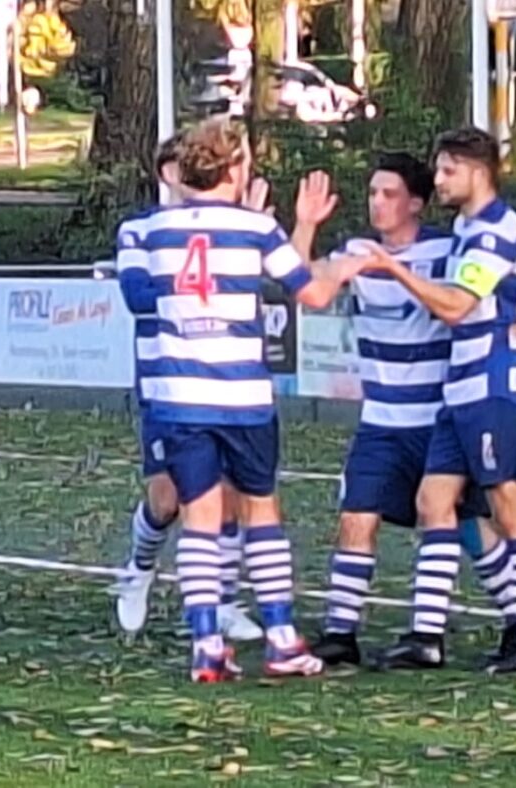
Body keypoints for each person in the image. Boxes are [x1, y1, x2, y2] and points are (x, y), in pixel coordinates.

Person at [116, 118, 372, 682]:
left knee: (201, 520)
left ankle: (206, 643)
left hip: (180, 396)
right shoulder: (255, 228)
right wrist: (346, 265)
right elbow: (310, 291)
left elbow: (140, 294)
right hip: (243, 396)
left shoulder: (150, 230)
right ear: (234, 167)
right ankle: (281, 638)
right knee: (261, 513)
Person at [362, 128, 516, 674]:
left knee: (509, 503)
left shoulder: (495, 230)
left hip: (495, 387)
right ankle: (426, 635)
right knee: (433, 501)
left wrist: (394, 269)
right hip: (462, 387)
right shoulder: (467, 227)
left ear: (479, 171)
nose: (440, 180)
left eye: (449, 170)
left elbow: (455, 305)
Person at [310, 152, 509, 666]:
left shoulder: (446, 251)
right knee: (356, 518)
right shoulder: (359, 251)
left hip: (439, 418)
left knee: (465, 523)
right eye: (373, 193)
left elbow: (477, 297)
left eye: (390, 194)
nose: (377, 203)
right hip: (380, 421)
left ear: (416, 204)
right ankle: (341, 633)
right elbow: (311, 289)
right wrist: (306, 227)